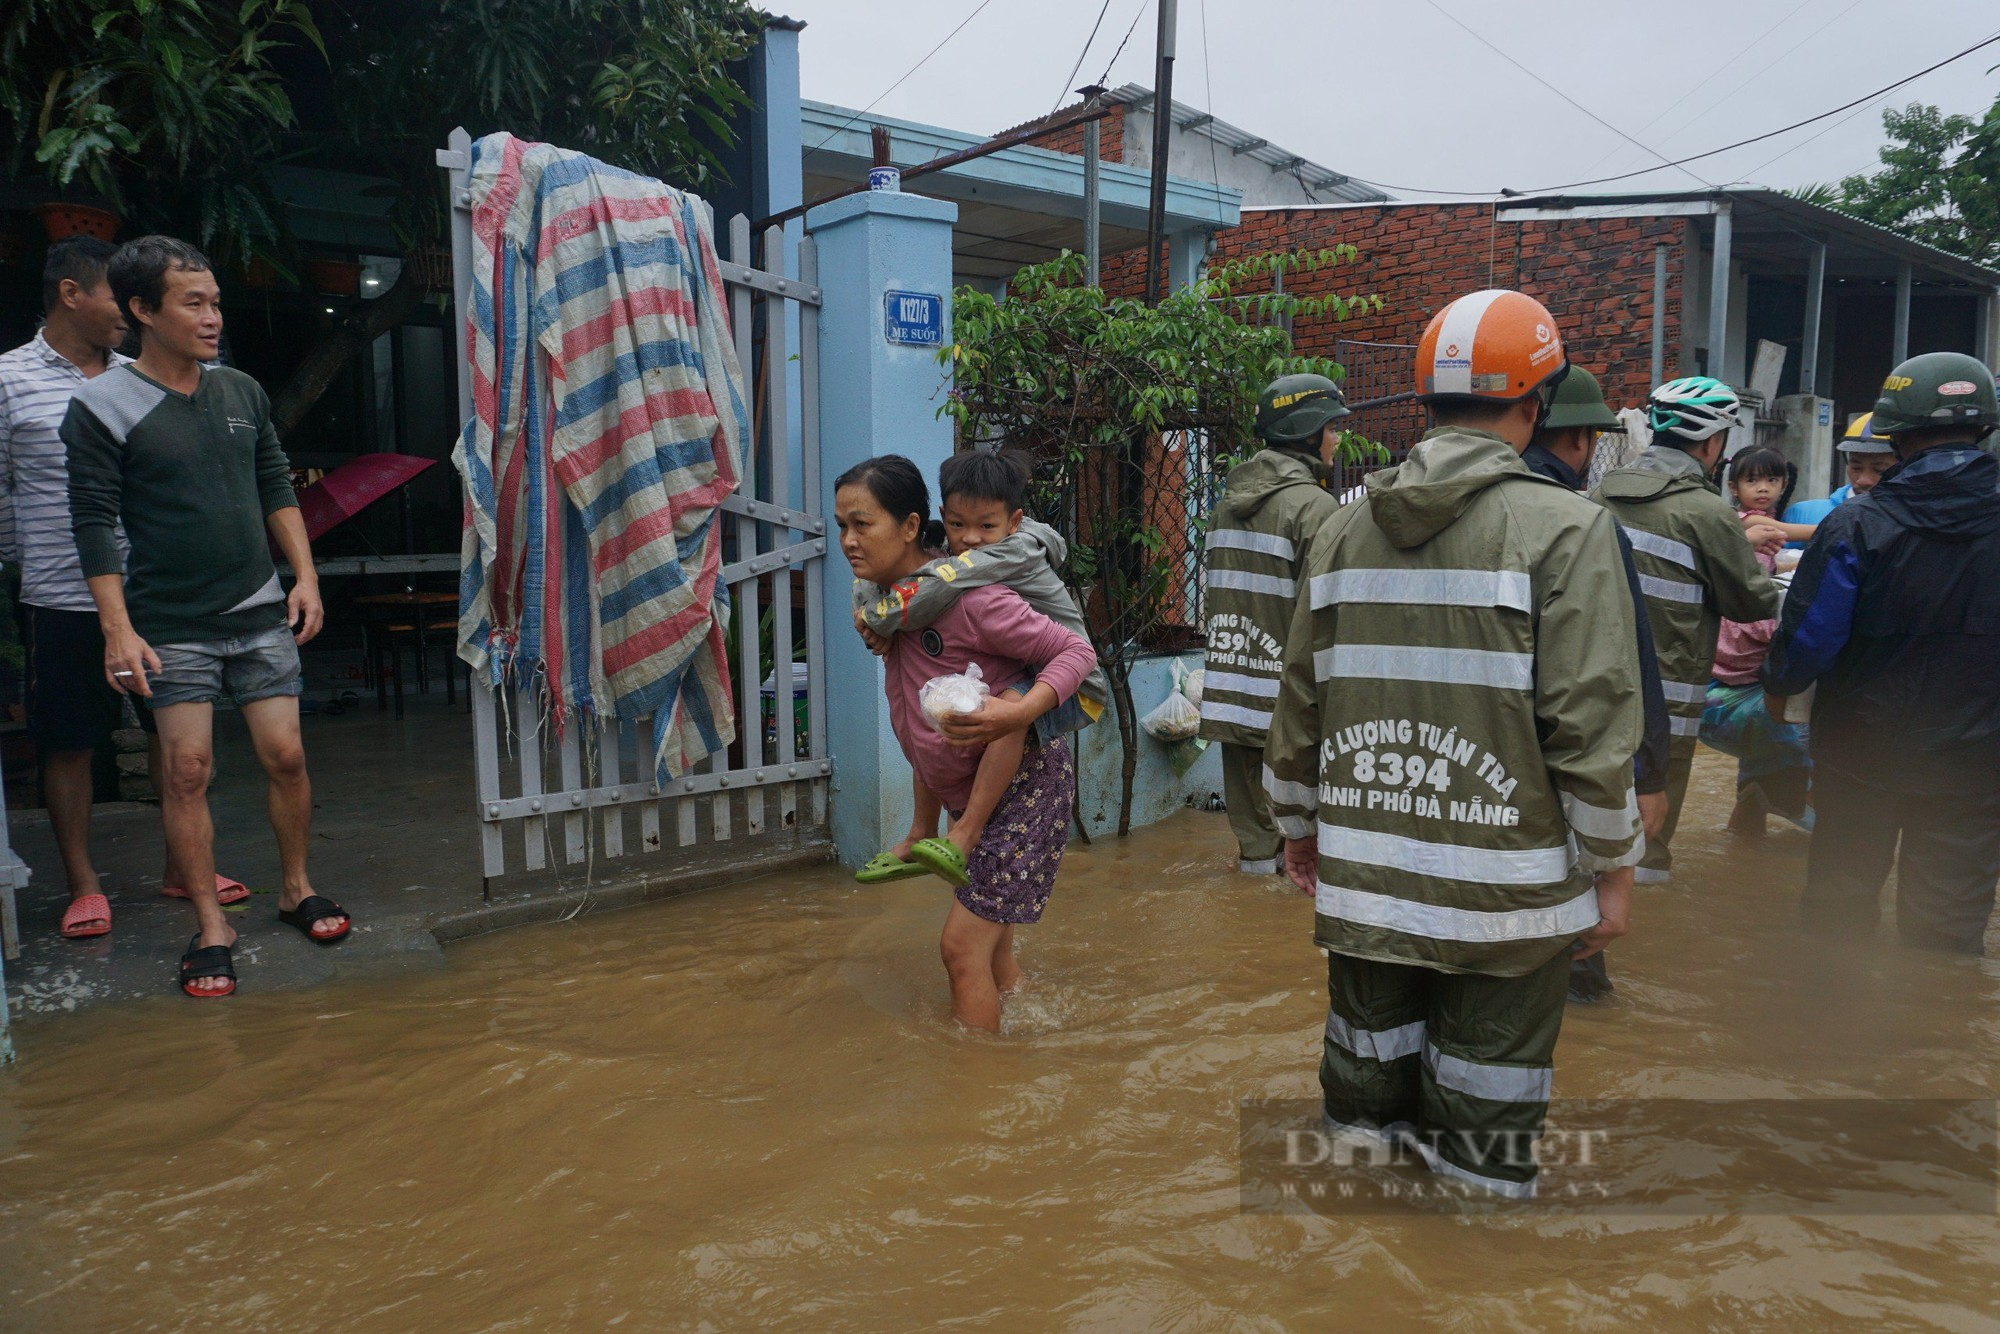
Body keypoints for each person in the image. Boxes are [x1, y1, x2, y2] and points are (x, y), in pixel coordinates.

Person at [1265, 289, 1644, 1198]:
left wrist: (1297, 826)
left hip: (1368, 878)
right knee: (1483, 1135)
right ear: (1535, 404)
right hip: (1508, 900)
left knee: (1358, 1120)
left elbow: (1301, 699)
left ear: (1424, 404)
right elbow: (1588, 722)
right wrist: (1615, 869)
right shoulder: (1569, 528)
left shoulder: (1343, 523)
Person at [62, 236, 350, 999]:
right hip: (170, 621)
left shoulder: (241, 393)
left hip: (258, 609)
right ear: (143, 310)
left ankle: (294, 890)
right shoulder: (101, 407)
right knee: (187, 773)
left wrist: (306, 577)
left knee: (285, 756)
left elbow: (274, 487)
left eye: (215, 301)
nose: (213, 316)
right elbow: (91, 521)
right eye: (194, 303)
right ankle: (210, 925)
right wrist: (117, 626)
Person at [835, 455, 1097, 1031]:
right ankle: (1037, 1036)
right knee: (992, 951)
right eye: (841, 528)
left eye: (862, 524)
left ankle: (978, 1097)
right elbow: (922, 731)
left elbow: (1077, 653)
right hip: (972, 792)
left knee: (960, 949)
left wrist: (1020, 711)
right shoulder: (895, 609)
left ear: (908, 526)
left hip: (1025, 793)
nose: (849, 542)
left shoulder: (974, 598)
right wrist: (916, 831)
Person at [1764, 352, 2000, 954]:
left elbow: (1809, 641)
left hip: (1862, 750)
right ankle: (1933, 1035)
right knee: (1948, 929)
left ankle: (1834, 1031)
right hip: (1976, 759)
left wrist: (1776, 687)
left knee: (1838, 914)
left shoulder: (1856, 525)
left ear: (1895, 433)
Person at [849, 449, 1107, 887]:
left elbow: (1078, 654)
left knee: (1006, 706)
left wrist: (876, 616)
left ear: (1013, 521)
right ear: (943, 517)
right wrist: (874, 614)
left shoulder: (1004, 555)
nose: (969, 539)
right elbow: (908, 577)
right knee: (940, 707)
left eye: (986, 526)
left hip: (1078, 682)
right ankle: (921, 832)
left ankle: (965, 832)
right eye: (957, 525)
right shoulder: (962, 555)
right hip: (1040, 665)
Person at [1591, 376, 1781, 885]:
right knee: (1647, 851)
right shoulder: (1708, 512)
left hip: (1591, 691)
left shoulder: (1599, 493)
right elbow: (1749, 602)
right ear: (1713, 442)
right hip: (1667, 705)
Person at [1521, 365, 1669, 1002]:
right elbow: (1622, 672)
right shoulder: (1582, 525)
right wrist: (1649, 777)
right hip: (1563, 777)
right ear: (1579, 440)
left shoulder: (1393, 518)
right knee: (1578, 952)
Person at [1197, 373, 1349, 877]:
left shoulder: (1227, 502)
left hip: (1233, 687)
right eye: (1332, 428)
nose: (1339, 439)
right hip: (1291, 702)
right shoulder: (1314, 507)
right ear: (1307, 432)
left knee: (1256, 850)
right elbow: (1325, 615)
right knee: (1303, 845)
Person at [1706, 446, 1811, 834]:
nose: (1763, 488)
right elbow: (1789, 536)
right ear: (1734, 487)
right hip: (1747, 627)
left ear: (1784, 483)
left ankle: (1753, 813)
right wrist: (1842, 526)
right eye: (1753, 481)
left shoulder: (1757, 522)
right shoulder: (1750, 521)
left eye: (1772, 480)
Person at [1766, 413, 1898, 546]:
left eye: (1879, 471)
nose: (1863, 480)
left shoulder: (1912, 521)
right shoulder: (1803, 515)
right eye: (1856, 467)